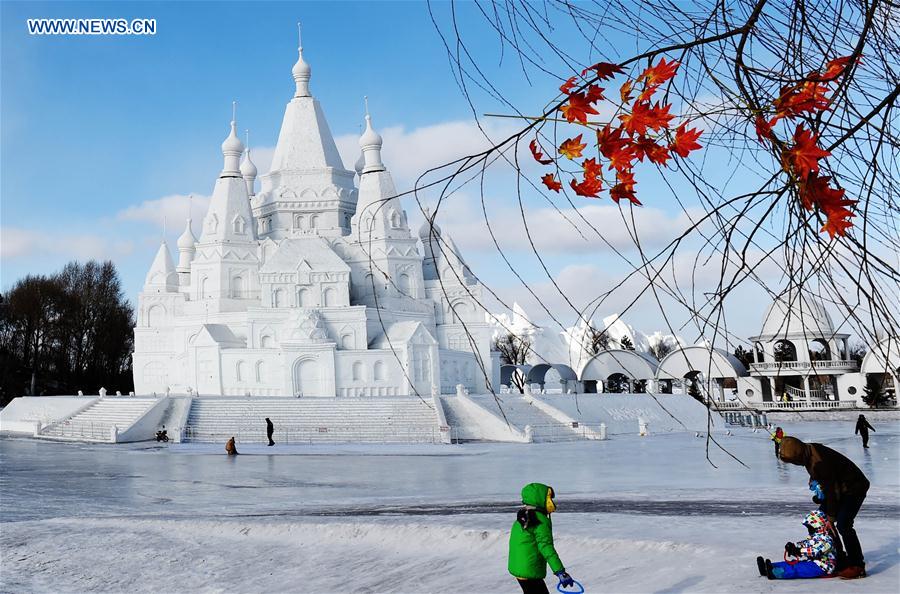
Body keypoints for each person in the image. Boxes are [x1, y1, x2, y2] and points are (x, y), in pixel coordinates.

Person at [779, 436, 869, 578]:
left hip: (854, 487)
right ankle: (839, 558)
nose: (795, 465)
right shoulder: (810, 450)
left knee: (843, 524)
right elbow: (827, 483)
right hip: (840, 487)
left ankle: (857, 565)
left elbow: (832, 490)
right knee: (823, 521)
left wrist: (831, 515)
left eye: (794, 462)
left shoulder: (819, 461)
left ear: (798, 456)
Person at [508, 483, 576, 594]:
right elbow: (546, 546)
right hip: (529, 569)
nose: (551, 501)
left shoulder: (523, 516)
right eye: (548, 498)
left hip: (518, 567)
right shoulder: (539, 520)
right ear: (540, 499)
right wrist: (560, 571)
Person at [757, 510, 837, 579]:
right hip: (813, 563)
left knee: (797, 568)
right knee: (793, 562)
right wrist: (794, 546)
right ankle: (769, 567)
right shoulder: (815, 537)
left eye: (810, 528)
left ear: (818, 526)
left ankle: (775, 573)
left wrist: (798, 551)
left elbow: (815, 551)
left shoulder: (827, 539)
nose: (809, 530)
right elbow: (807, 543)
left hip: (823, 567)